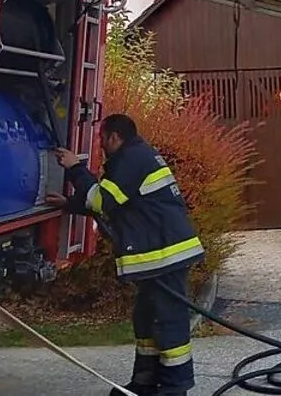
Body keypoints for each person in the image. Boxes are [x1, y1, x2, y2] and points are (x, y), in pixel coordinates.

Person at [47, 114, 204, 396]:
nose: (100, 144)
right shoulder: (134, 157)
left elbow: (101, 200)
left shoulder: (131, 160)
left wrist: (75, 167)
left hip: (166, 256)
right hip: (160, 255)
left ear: (115, 137)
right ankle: (144, 384)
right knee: (145, 318)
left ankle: (175, 388)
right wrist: (69, 203)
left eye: (102, 138)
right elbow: (116, 202)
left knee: (168, 321)